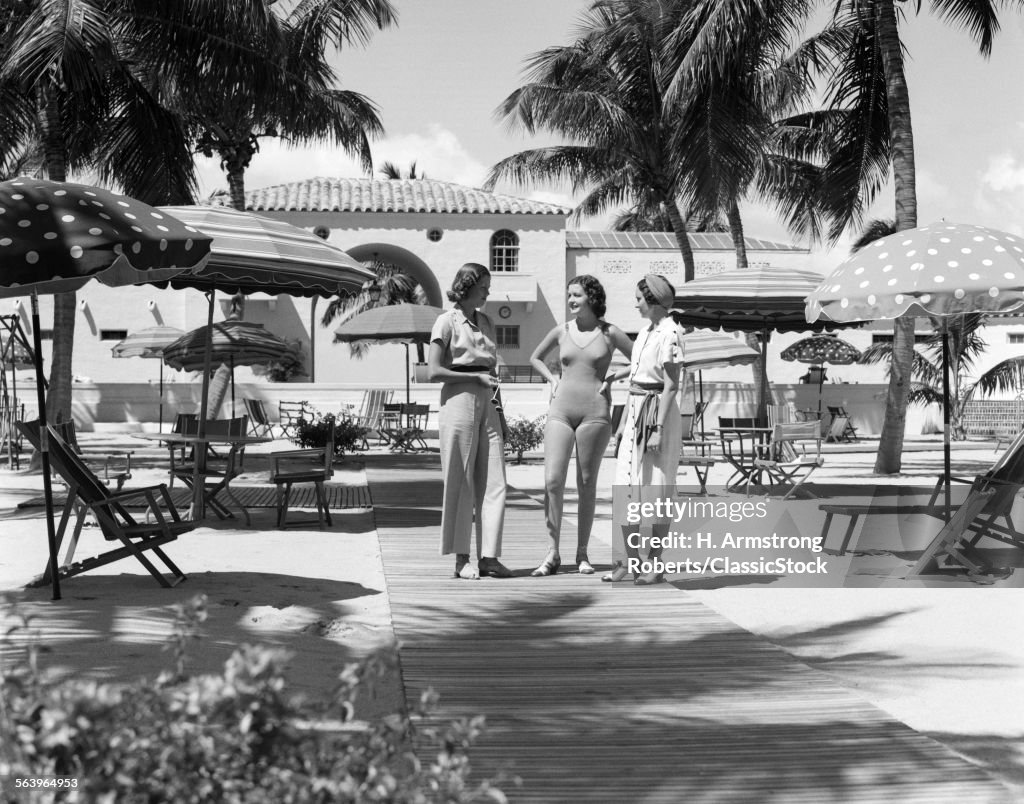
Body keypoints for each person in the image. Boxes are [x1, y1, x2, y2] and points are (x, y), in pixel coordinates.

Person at [528, 275, 634, 576]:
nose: (571, 300)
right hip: (560, 409)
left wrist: (614, 377)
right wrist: (552, 379)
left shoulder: (610, 332)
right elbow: (535, 357)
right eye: (569, 295)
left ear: (591, 297)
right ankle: (552, 553)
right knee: (552, 481)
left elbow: (639, 358)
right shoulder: (561, 331)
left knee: (587, 484)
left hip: (596, 413)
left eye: (576, 295)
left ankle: (582, 553)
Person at [428, 263, 512, 580]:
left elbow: (494, 374)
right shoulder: (446, 322)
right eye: (483, 287)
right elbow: (433, 371)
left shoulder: (488, 323)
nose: (487, 293)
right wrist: (473, 376)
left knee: (495, 480)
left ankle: (489, 557)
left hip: (488, 403)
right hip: (458, 400)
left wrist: (501, 415)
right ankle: (462, 559)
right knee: (460, 480)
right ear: (466, 286)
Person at [603, 274, 684, 585]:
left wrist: (658, 429)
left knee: (656, 490)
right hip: (636, 410)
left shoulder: (671, 333)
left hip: (657, 413)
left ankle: (655, 562)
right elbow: (637, 374)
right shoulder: (646, 332)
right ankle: (630, 560)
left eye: (639, 298)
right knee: (625, 488)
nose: (635, 303)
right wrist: (623, 422)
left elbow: (671, 384)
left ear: (652, 300)